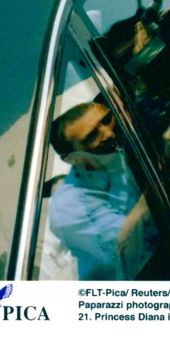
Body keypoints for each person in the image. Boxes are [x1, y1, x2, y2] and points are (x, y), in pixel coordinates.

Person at [49, 101, 159, 280]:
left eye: (107, 120)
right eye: (92, 136)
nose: (108, 133)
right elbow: (126, 247)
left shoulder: (122, 152)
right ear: (71, 159)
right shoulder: (67, 205)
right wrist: (169, 165)